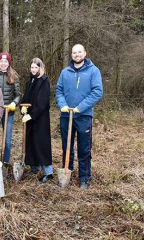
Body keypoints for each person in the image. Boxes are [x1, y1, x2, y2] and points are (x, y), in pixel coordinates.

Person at [56, 44, 103, 189]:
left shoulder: (93, 71)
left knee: (84, 149)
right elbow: (59, 90)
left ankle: (84, 178)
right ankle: (67, 172)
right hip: (66, 115)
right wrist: (62, 105)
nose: (77, 54)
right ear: (71, 55)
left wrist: (79, 108)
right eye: (74, 52)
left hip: (84, 116)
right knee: (67, 147)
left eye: (79, 52)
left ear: (85, 53)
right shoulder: (65, 72)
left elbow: (97, 92)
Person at [21, 58, 53, 183]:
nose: (34, 69)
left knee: (41, 144)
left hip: (41, 120)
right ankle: (35, 167)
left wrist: (32, 115)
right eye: (32, 67)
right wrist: (23, 107)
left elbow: (43, 103)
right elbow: (26, 98)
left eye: (36, 67)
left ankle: (48, 172)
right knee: (32, 142)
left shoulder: (44, 82)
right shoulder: (30, 82)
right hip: (30, 119)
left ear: (41, 68)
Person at [0, 52, 22, 164]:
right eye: (1, 61)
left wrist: (14, 103)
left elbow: (18, 94)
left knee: (7, 141)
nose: (3, 63)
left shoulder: (14, 77)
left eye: (5, 61)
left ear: (9, 63)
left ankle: (6, 163)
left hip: (9, 113)